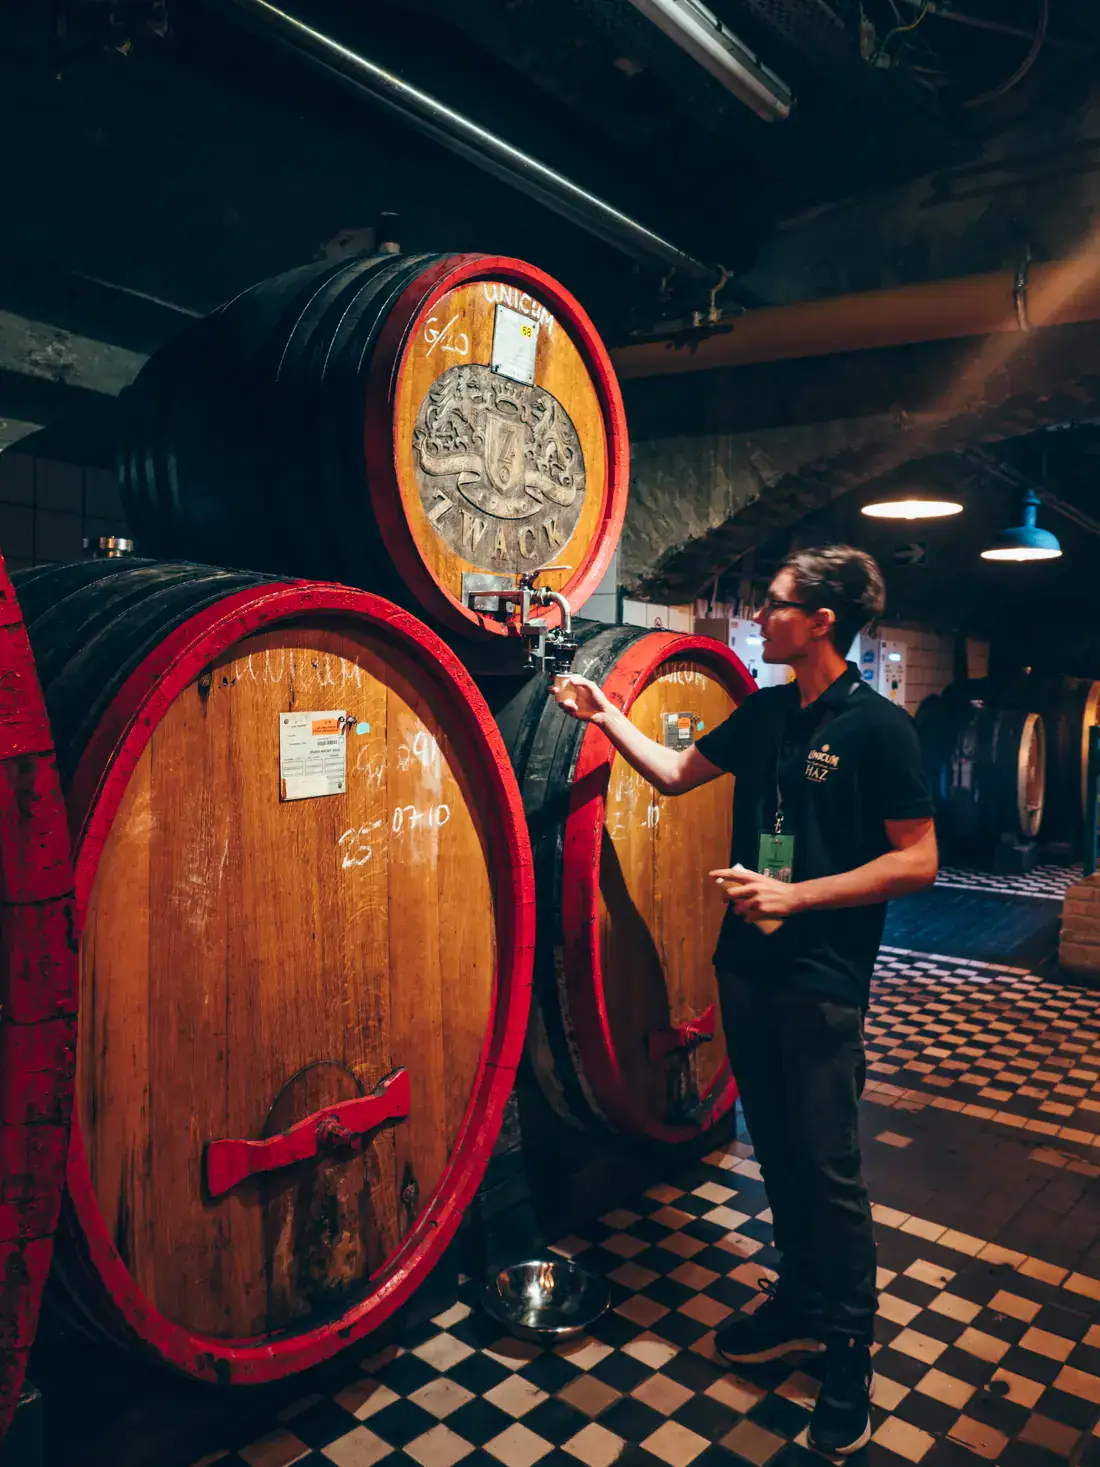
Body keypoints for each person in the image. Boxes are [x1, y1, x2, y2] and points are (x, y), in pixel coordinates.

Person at [552, 545, 938, 1457]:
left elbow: (918, 859)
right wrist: (608, 714)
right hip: (748, 973)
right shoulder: (762, 714)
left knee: (830, 1170)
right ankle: (801, 1301)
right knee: (778, 1155)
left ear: (823, 623)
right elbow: (675, 772)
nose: (759, 617)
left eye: (775, 606)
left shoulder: (880, 729)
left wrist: (797, 894)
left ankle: (849, 1350)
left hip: (821, 981)